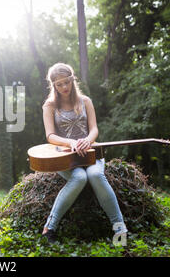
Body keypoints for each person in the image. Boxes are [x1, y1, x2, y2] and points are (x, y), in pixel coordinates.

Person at [41, 62, 127, 243]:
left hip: (90, 152)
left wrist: (87, 140)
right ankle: (49, 228)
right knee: (79, 177)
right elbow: (50, 135)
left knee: (95, 174)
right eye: (59, 84)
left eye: (67, 82)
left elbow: (94, 129)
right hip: (65, 158)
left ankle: (120, 229)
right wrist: (71, 142)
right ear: (53, 85)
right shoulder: (49, 105)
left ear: (72, 80)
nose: (64, 87)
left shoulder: (85, 101)